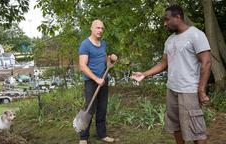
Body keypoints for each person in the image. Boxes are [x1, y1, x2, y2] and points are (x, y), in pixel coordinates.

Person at [131, 5, 211, 144]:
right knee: (176, 126)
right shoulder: (170, 40)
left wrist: (201, 90)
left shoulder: (196, 35)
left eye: (167, 19)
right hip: (172, 90)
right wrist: (144, 74)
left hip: (189, 91)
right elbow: (163, 64)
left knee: (196, 130)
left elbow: (206, 63)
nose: (165, 23)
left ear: (178, 17)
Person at [78, 19, 115, 144]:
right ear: (92, 28)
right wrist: (96, 79)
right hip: (91, 81)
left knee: (102, 108)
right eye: (98, 28)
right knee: (89, 108)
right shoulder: (85, 44)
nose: (100, 30)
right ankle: (83, 137)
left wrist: (111, 59)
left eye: (102, 28)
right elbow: (82, 66)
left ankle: (102, 134)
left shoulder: (103, 44)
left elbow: (105, 61)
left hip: (103, 80)